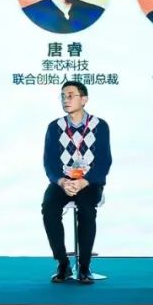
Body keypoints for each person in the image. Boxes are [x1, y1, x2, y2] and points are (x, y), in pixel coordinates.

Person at [41, 81, 112, 284]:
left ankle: (84, 266)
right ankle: (62, 263)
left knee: (87, 209)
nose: (66, 99)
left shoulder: (99, 126)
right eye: (63, 96)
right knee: (49, 208)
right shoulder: (55, 127)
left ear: (84, 99)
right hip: (64, 181)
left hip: (90, 182)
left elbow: (104, 161)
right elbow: (49, 162)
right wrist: (62, 181)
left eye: (71, 95)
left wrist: (84, 182)